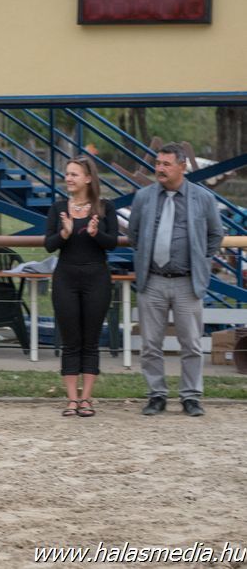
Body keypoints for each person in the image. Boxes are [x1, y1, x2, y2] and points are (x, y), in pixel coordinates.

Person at [128, 142, 224, 417]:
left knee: (191, 344)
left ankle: (191, 397)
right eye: (157, 163)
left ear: (182, 167)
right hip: (153, 280)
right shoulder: (143, 197)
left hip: (187, 282)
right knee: (150, 344)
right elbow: (134, 234)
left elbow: (215, 235)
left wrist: (201, 261)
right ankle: (156, 395)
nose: (159, 168)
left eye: (166, 164)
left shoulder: (202, 198)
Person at [45, 155, 119, 417]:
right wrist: (64, 234)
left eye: (74, 174)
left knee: (91, 339)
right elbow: (49, 244)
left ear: (88, 178)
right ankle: (71, 399)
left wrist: (95, 233)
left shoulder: (105, 207)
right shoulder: (58, 208)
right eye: (67, 173)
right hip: (65, 277)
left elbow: (112, 243)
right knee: (70, 339)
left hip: (96, 277)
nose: (68, 178)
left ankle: (87, 398)